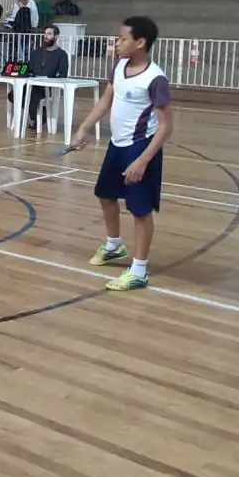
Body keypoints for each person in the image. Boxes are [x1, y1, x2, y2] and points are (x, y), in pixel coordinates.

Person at [64, 16, 172, 292]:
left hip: (140, 147)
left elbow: (166, 127)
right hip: (118, 145)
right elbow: (106, 100)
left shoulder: (155, 78)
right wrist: (84, 128)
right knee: (105, 195)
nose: (118, 43)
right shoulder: (120, 66)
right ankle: (114, 246)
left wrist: (142, 160)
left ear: (140, 42)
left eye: (123, 39)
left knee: (139, 211)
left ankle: (139, 271)